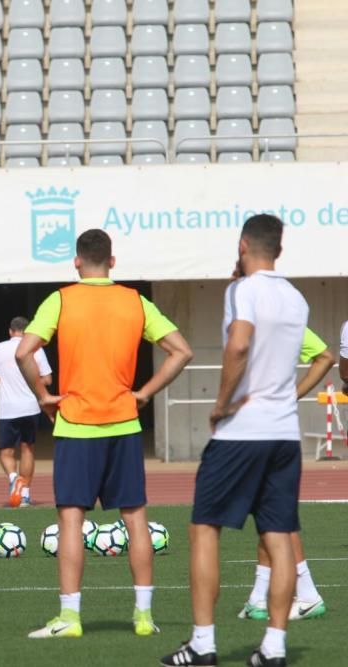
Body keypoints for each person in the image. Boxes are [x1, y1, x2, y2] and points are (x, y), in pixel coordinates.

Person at [16, 229, 193, 639]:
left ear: (77, 261)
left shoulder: (61, 299)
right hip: (124, 424)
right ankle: (144, 617)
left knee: (72, 520)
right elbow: (182, 350)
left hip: (77, 426)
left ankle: (70, 617)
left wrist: (43, 394)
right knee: (135, 519)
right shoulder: (135, 301)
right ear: (112, 261)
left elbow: (24, 351)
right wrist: (145, 393)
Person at [160, 215, 305, 667]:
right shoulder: (297, 298)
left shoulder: (243, 290)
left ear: (243, 245)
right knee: (279, 537)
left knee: (205, 527)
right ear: (278, 249)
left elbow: (239, 345)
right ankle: (274, 648)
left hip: (243, 429)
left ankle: (203, 643)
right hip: (285, 432)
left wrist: (222, 402)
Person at [237, 328, 334, 623]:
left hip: (264, 429)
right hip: (270, 427)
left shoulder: (268, 318)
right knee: (268, 513)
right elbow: (325, 356)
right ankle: (258, 598)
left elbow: (325, 357)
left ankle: (307, 593)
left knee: (276, 515)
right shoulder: (279, 315)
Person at [0, 316, 52, 507]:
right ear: (28, 331)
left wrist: (7, 380)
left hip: (7, 408)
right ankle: (24, 494)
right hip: (30, 407)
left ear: (10, 331)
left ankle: (14, 477)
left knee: (6, 452)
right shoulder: (35, 348)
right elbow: (47, 380)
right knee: (27, 449)